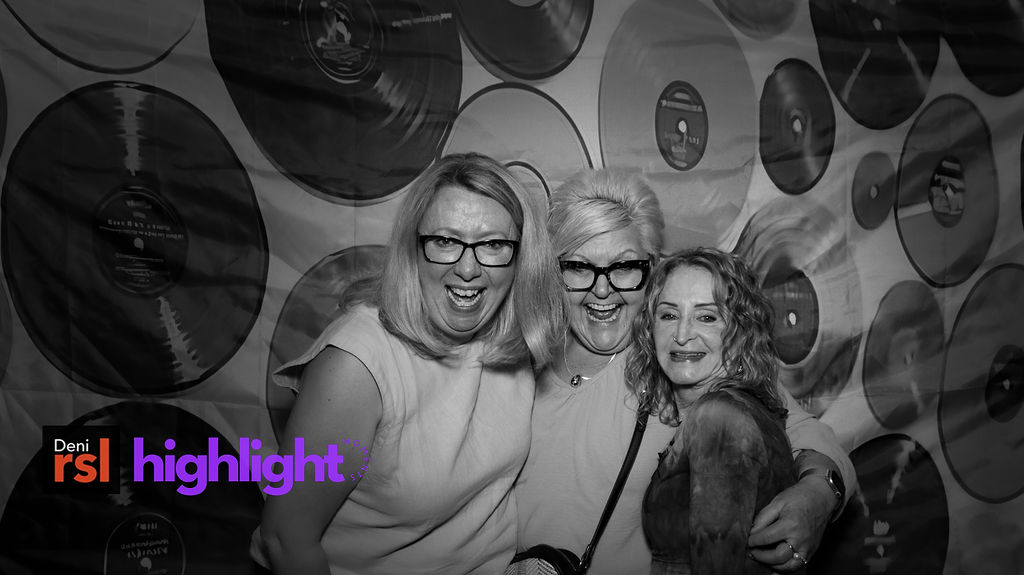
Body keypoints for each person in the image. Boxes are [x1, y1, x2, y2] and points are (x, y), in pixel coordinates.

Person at [515, 169, 855, 574]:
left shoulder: (674, 363)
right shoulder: (520, 359)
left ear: (651, 270)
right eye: (578, 266)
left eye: (624, 267)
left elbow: (801, 431)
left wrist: (820, 493)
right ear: (553, 274)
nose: (602, 290)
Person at [250, 153, 562, 574]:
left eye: (493, 244)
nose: (468, 268)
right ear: (412, 248)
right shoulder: (357, 363)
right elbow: (285, 537)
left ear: (521, 257)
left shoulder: (511, 336)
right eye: (445, 241)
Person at [631, 247, 802, 574]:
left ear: (740, 331)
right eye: (669, 315)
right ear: (650, 328)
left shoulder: (718, 418)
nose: (682, 335)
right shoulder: (730, 409)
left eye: (706, 317)